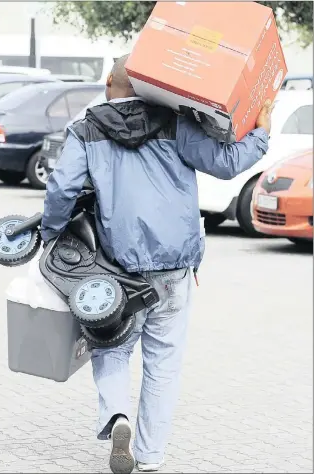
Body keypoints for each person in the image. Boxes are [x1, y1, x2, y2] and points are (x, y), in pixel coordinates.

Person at [41, 54, 273, 474]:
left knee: (110, 346)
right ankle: (150, 456)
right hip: (174, 267)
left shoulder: (86, 129)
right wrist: (262, 133)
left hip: (117, 269)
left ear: (109, 84)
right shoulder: (176, 122)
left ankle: (117, 416)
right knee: (163, 360)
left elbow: (61, 189)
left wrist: (51, 233)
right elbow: (227, 163)